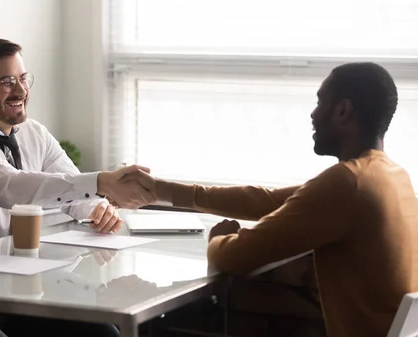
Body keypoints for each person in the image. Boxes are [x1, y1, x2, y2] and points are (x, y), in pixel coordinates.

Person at [125, 62, 418, 337]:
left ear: (342, 110)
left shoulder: (347, 182)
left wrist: (219, 238)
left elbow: (233, 257)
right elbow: (265, 200)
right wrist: (161, 190)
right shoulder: (390, 175)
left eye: (319, 102)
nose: (313, 114)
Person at [0, 37, 143, 336]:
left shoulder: (34, 133)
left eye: (23, 78)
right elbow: (12, 187)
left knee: (104, 331)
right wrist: (100, 182)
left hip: (25, 282)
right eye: (6, 81)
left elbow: (70, 189)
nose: (21, 91)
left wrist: (98, 208)